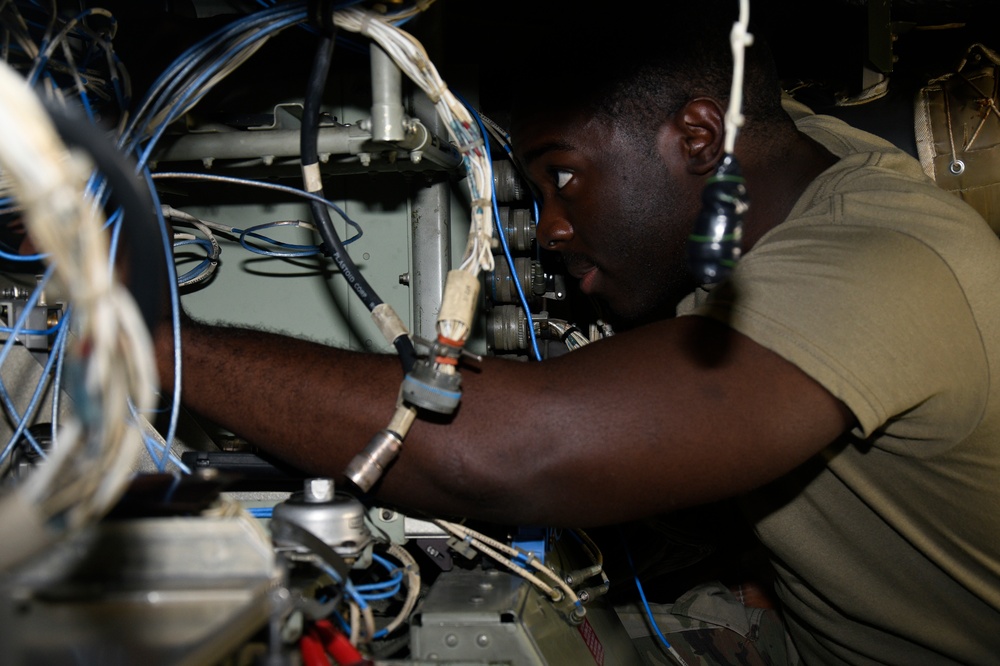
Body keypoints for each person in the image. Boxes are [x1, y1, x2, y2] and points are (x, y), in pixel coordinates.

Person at [154, 2, 1000, 664]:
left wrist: (156, 342)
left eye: (563, 176)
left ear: (698, 138)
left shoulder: (880, 264)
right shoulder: (792, 161)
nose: (550, 229)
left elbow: (521, 452)